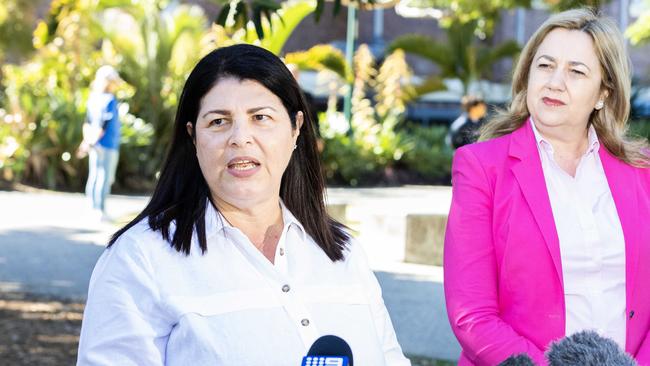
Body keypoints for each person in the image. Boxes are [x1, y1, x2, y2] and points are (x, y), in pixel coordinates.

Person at [77, 44, 410, 366]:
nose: (240, 137)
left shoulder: (344, 252)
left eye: (260, 117)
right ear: (194, 137)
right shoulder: (141, 259)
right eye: (218, 121)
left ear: (296, 129)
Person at [443, 8, 650, 366]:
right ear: (526, 77)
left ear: (604, 91)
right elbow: (472, 316)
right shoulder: (480, 167)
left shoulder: (642, 170)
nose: (555, 81)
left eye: (576, 71)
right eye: (545, 65)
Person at [77, 65, 122, 219]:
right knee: (103, 176)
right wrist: (91, 141)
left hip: (94, 143)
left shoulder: (93, 98)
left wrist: (87, 141)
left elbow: (87, 122)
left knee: (95, 174)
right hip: (106, 144)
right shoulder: (110, 99)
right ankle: (100, 210)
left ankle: (92, 207)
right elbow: (104, 123)